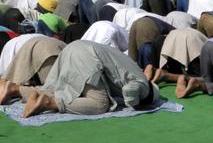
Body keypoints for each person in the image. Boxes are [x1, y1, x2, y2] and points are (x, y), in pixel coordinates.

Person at [18, 40, 161, 118]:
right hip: (87, 57)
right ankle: (50, 103)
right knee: (100, 104)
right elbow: (129, 91)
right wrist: (138, 106)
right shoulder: (142, 84)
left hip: (74, 47)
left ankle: (15, 90)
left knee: (63, 89)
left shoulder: (135, 68)